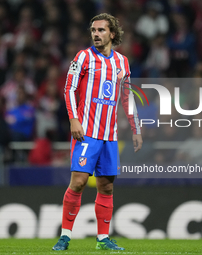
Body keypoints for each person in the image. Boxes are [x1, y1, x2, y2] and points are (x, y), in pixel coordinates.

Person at [52, 13, 142, 251]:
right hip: (86, 132)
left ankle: (103, 240)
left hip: (109, 136)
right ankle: (65, 236)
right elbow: (69, 88)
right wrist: (73, 119)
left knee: (107, 186)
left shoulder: (122, 62)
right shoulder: (82, 57)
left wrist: (136, 128)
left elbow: (127, 97)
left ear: (112, 33)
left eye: (101, 30)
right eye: (93, 30)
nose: (96, 34)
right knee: (79, 182)